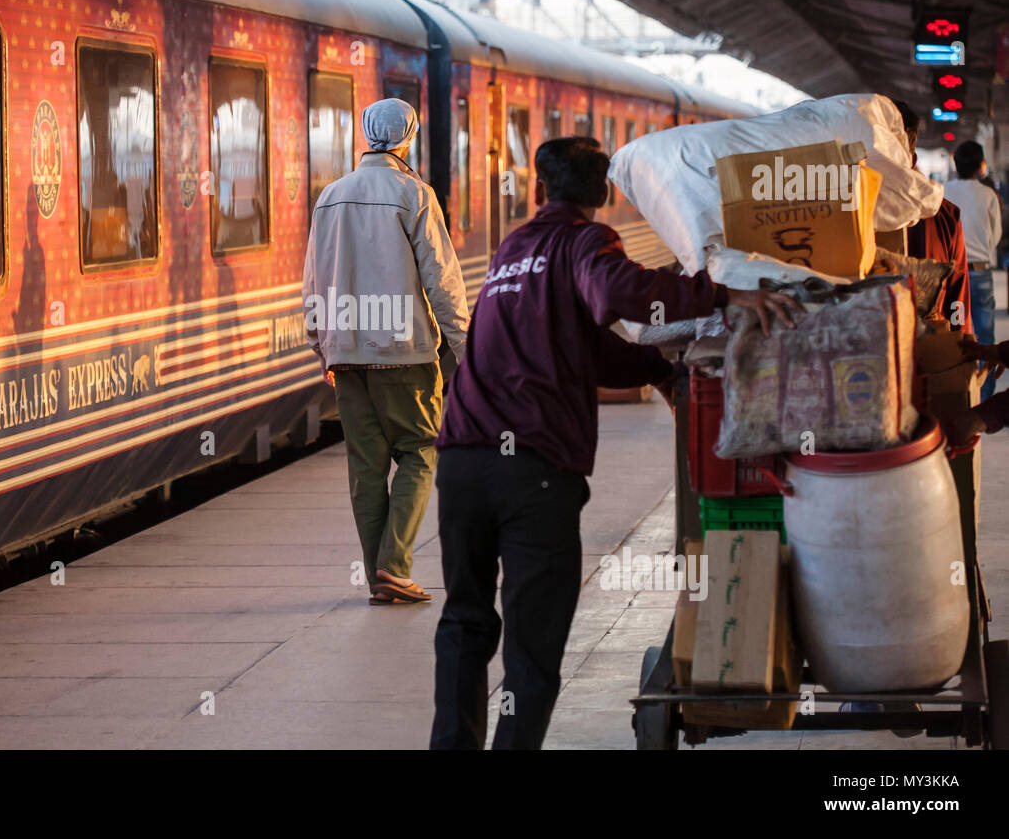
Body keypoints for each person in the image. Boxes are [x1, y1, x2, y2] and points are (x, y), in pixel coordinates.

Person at [429, 138, 801, 749]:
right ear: (604, 191)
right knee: (532, 644)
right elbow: (618, 295)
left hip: (463, 462)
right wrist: (721, 293)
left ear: (541, 185)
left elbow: (586, 346)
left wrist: (659, 372)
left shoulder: (512, 250)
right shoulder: (586, 242)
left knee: (464, 623)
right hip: (534, 471)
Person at [302, 98, 470, 605]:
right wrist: (465, 348)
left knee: (366, 466)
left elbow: (313, 278)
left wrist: (322, 346)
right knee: (419, 452)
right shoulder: (413, 194)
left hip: (347, 353)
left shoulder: (330, 196)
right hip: (404, 352)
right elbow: (441, 278)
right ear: (408, 136)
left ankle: (382, 575)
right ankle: (393, 567)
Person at [892, 100, 969, 329]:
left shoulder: (840, 214)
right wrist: (961, 342)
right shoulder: (945, 215)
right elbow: (958, 298)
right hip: (931, 355)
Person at [945, 140, 1002, 401]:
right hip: (980, 271)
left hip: (951, 273)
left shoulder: (943, 190)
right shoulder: (988, 195)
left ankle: (956, 391)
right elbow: (996, 235)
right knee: (985, 337)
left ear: (955, 164)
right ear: (981, 165)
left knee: (953, 333)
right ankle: (985, 396)